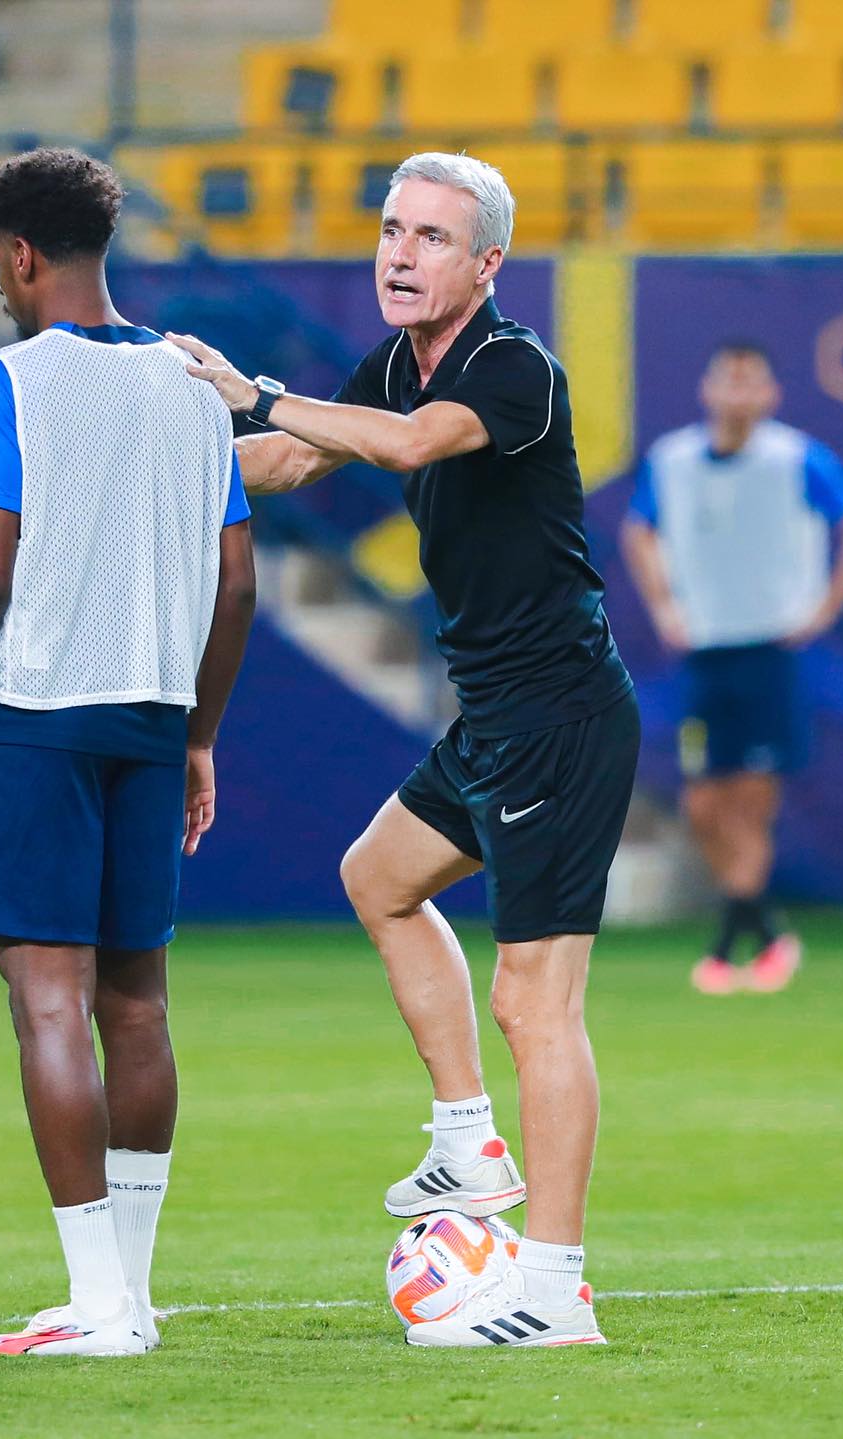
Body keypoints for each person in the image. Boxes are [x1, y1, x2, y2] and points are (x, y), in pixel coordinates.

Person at [174, 151, 638, 1349]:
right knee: (377, 878)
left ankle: (555, 1286)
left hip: (559, 715)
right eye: (391, 228)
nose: (400, 251)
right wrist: (155, 481)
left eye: (432, 236)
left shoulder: (511, 365)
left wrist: (260, 391)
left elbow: (413, 446)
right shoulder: (391, 360)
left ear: (486, 264)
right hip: (493, 712)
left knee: (537, 1000)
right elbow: (295, 458)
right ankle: (466, 1141)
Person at [0, 148, 256, 1358]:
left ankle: (100, 1304)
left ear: (25, 254)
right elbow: (237, 577)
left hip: (38, 716)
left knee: (48, 1000)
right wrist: (199, 731)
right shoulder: (197, 378)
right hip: (152, 715)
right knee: (136, 1003)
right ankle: (132, 1292)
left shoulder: (7, 381)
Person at [620, 340, 843, 996]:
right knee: (703, 803)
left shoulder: (799, 459)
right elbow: (638, 530)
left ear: (770, 394)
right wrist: (664, 605)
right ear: (708, 389)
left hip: (774, 651)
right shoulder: (673, 460)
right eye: (728, 381)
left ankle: (724, 946)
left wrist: (823, 608)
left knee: (749, 802)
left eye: (752, 383)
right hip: (705, 651)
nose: (739, 395)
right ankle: (766, 931)